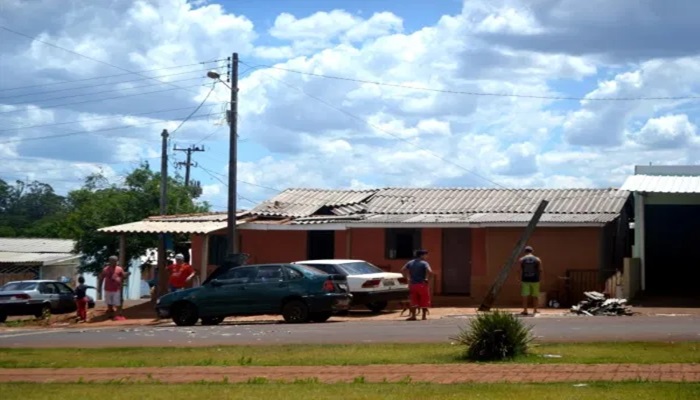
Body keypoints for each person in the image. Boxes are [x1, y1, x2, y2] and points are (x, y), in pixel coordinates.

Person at [401, 249, 434, 321]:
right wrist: (427, 279)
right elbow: (430, 272)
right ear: (422, 255)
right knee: (424, 300)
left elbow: (402, 270)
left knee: (413, 300)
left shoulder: (410, 262)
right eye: (426, 255)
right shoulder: (424, 263)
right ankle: (424, 316)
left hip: (413, 285)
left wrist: (408, 278)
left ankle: (413, 316)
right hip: (422, 284)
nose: (427, 256)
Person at [98, 255, 125, 320]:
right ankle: (110, 315)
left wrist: (120, 281)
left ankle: (117, 315)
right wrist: (99, 287)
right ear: (110, 261)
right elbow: (101, 278)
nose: (114, 262)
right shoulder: (105, 269)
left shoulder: (119, 269)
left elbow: (123, 277)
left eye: (115, 261)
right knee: (109, 303)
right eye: (112, 261)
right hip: (108, 289)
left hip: (116, 289)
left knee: (117, 303)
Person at [519, 245, 544, 316]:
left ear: (525, 251)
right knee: (535, 295)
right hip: (535, 279)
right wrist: (541, 278)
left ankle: (525, 310)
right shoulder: (537, 259)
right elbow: (540, 270)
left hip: (525, 279)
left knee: (525, 295)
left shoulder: (521, 259)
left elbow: (519, 270)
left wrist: (518, 278)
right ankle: (535, 310)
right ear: (532, 251)